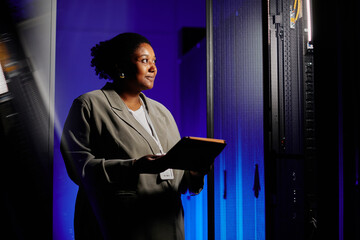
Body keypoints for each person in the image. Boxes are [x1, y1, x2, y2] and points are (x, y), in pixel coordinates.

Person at [60, 32, 207, 240]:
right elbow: (79, 168)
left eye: (154, 61)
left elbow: (178, 181)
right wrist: (134, 166)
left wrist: (194, 173)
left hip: (167, 225)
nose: (153, 68)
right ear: (120, 66)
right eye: (144, 61)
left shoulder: (162, 113)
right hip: (121, 226)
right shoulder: (89, 105)